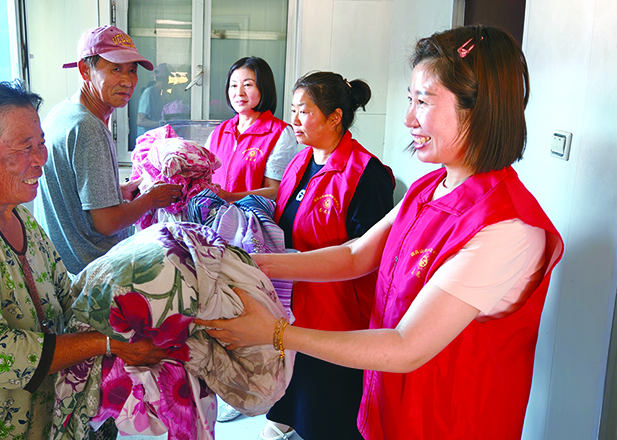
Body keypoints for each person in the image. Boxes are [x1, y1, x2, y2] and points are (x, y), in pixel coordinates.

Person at [196, 25, 564, 440]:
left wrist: (276, 333)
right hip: (389, 406)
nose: (408, 119)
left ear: (479, 109)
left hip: (449, 421)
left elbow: (407, 346)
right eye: (410, 99)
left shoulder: (504, 227)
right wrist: (244, 263)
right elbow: (356, 255)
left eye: (422, 101)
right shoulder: (430, 187)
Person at [0, 81, 167, 440]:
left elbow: (67, 296)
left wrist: (138, 304)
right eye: (25, 147)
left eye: (40, 143)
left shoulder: (20, 218)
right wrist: (107, 343)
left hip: (36, 423)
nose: (41, 158)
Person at [258, 73, 394, 440]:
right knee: (295, 397)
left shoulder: (366, 174)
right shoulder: (300, 163)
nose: (294, 121)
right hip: (294, 307)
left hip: (337, 318)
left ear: (335, 117)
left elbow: (368, 256)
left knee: (328, 413)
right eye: (293, 111)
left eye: (304, 112)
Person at [35, 26, 182, 274]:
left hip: (60, 267)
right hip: (91, 275)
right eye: (116, 69)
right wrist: (152, 199)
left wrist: (118, 191)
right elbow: (108, 222)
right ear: (85, 70)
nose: (127, 81)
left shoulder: (62, 112)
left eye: (132, 71)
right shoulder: (88, 127)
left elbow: (74, 193)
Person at [206, 56, 296, 202]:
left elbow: (275, 190)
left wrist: (230, 197)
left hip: (252, 220)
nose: (239, 92)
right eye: (233, 85)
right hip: (213, 219)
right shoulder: (218, 132)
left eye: (247, 85)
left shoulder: (280, 133)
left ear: (264, 88)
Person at [136, 62, 171, 133]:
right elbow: (140, 121)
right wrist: (162, 124)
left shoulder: (158, 94)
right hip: (146, 138)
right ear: (165, 79)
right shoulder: (148, 93)